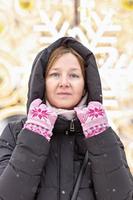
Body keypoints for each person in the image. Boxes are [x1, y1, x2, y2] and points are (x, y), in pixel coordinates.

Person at [0, 37, 132, 200]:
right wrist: (35, 135)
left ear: (85, 86)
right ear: (42, 82)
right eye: (55, 74)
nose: (64, 83)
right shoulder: (15, 133)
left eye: (74, 75)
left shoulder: (105, 135)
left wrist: (99, 138)